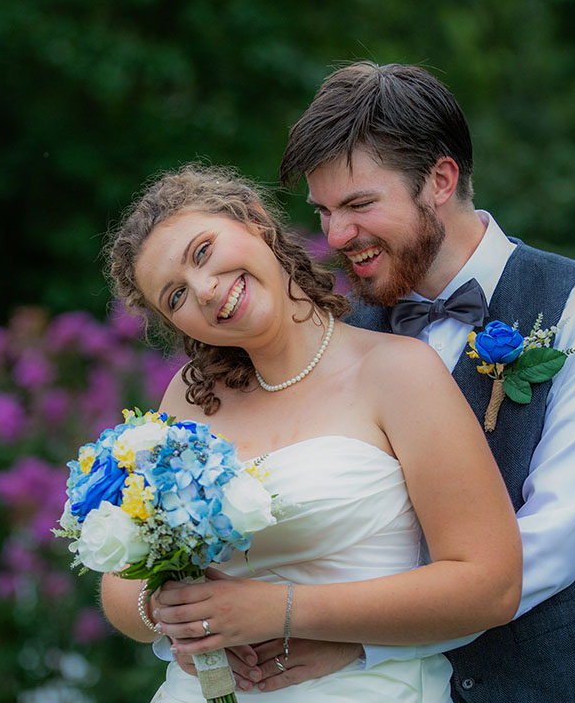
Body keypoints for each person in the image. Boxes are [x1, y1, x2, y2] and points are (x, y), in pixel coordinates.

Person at [257, 61, 575, 703]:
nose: (337, 236)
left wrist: (362, 639)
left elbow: (554, 539)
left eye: (359, 204)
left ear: (440, 179)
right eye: (323, 212)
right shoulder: (343, 334)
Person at [98, 164, 522, 702]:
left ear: (254, 221)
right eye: (175, 297)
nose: (203, 291)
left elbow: (491, 586)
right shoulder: (189, 396)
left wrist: (278, 611)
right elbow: (121, 582)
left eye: (203, 252)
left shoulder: (398, 372)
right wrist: (166, 611)